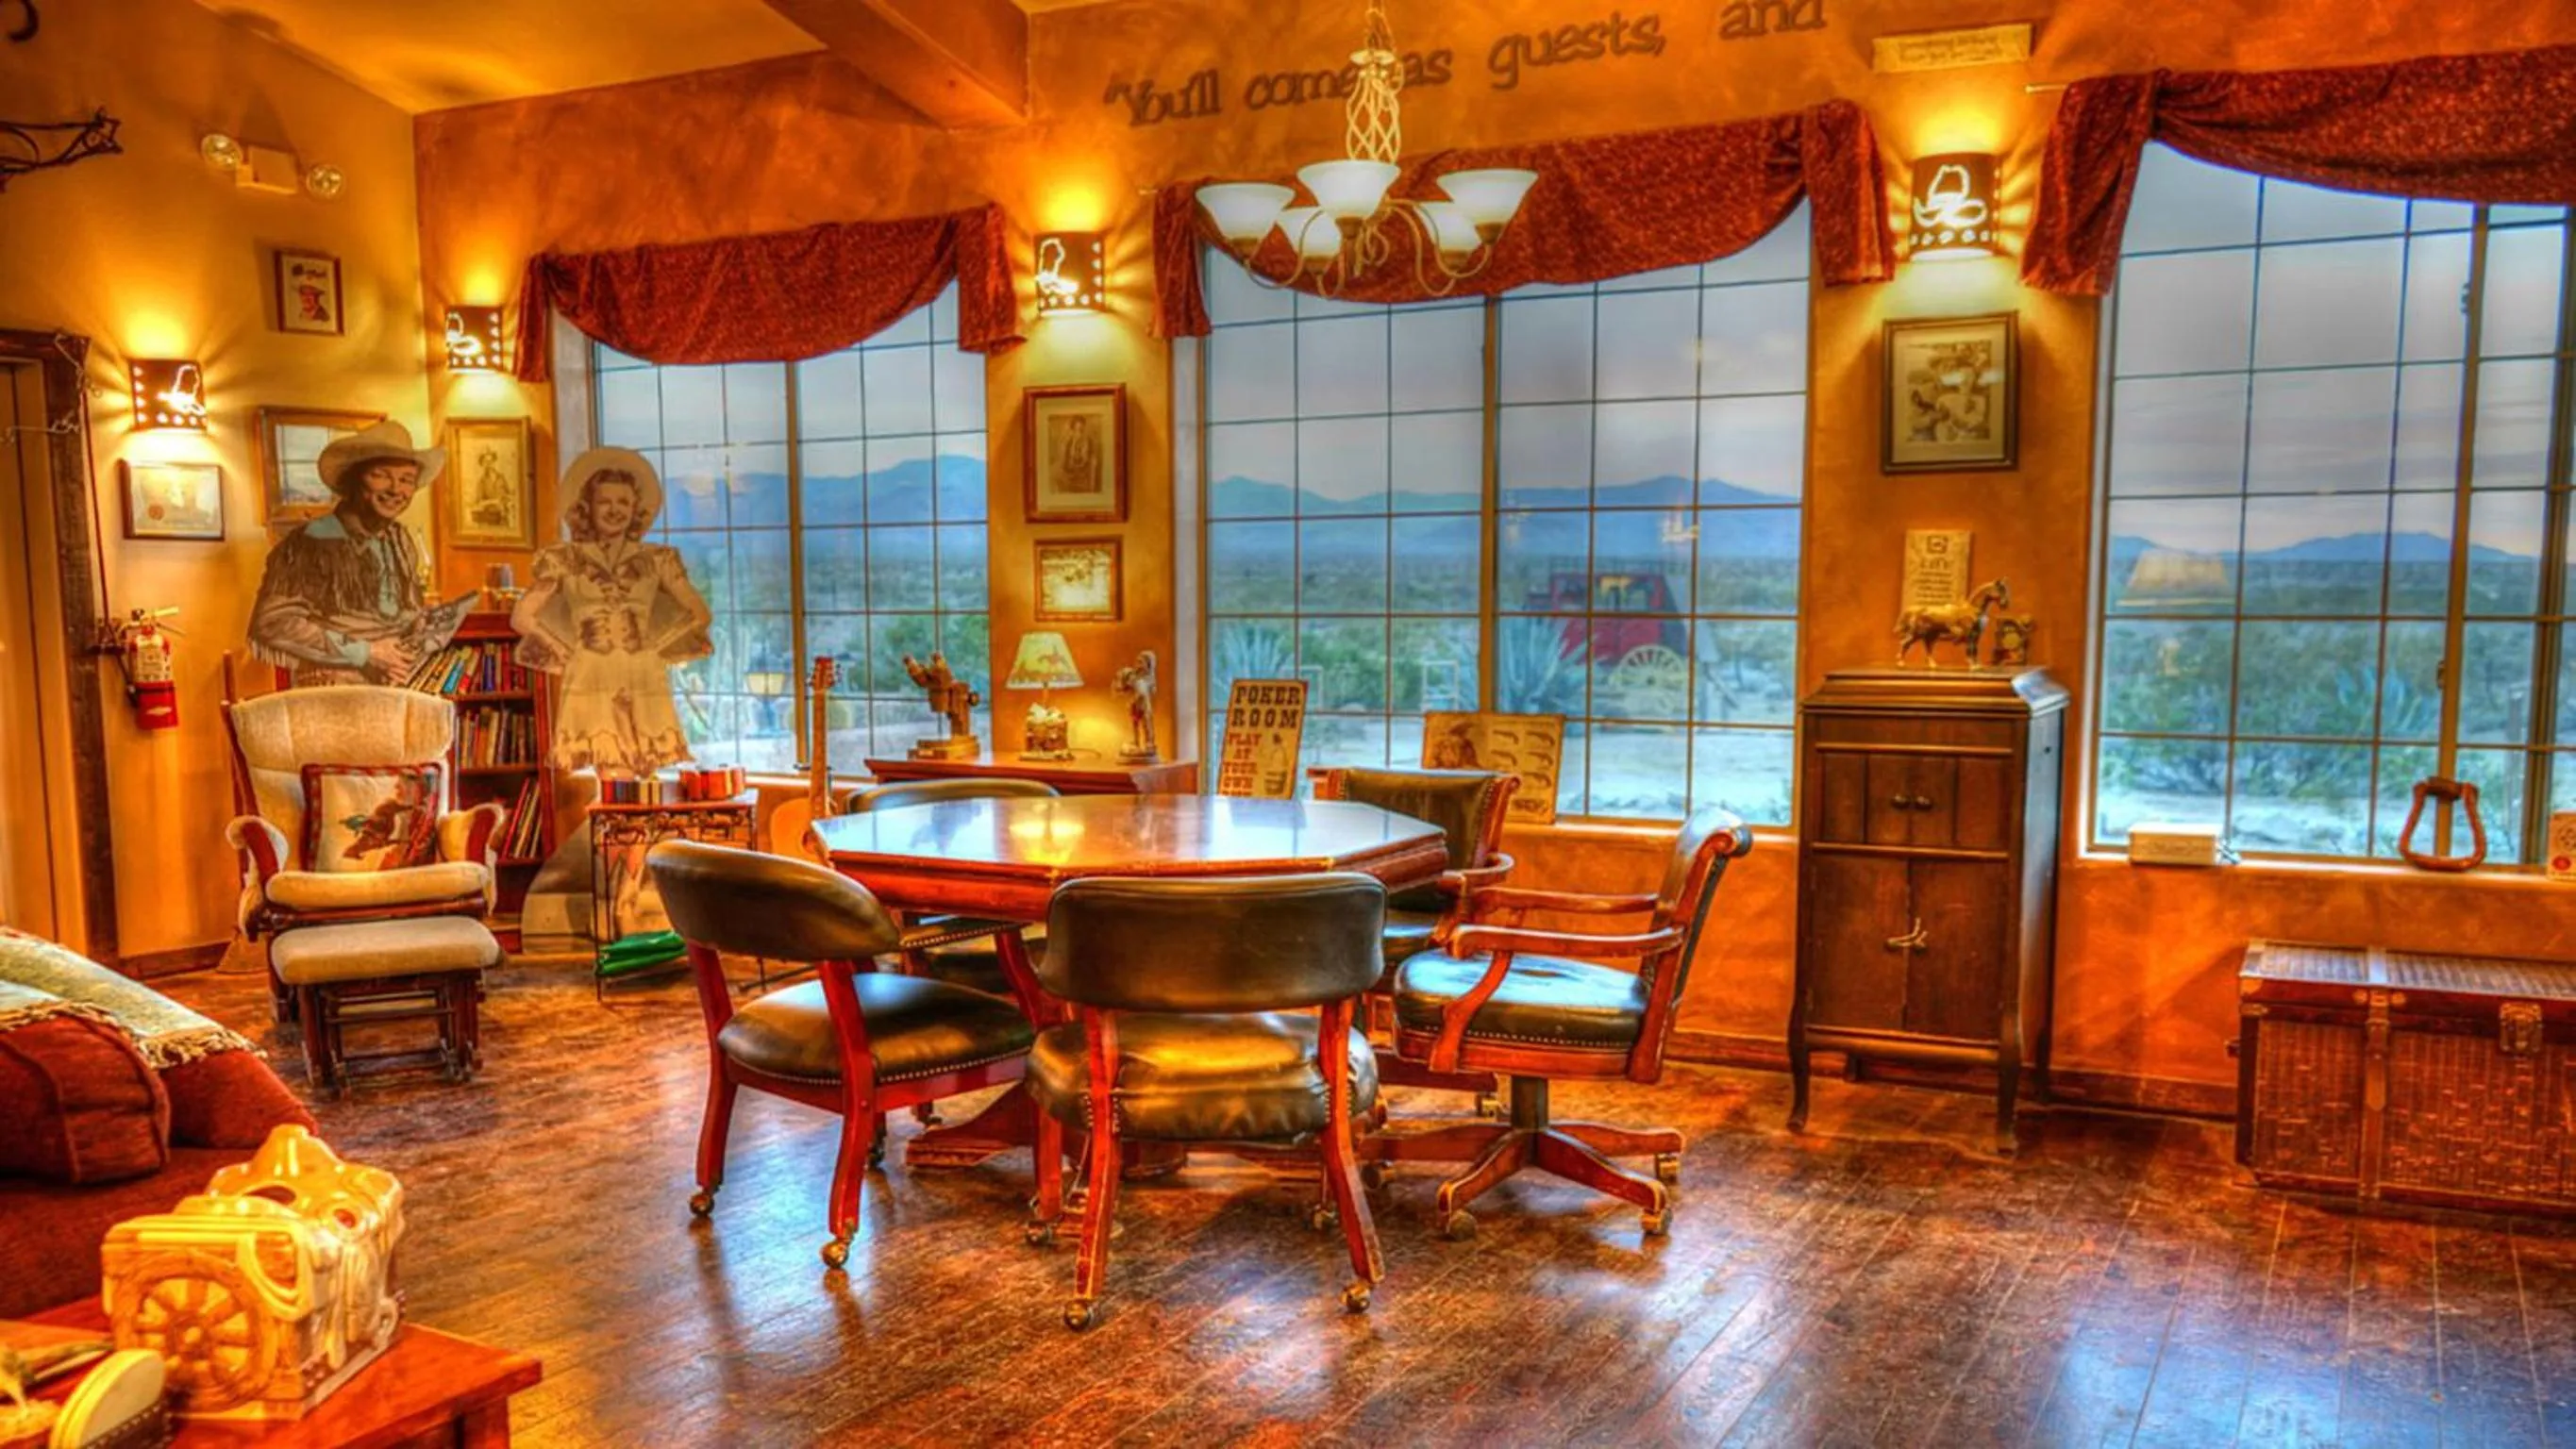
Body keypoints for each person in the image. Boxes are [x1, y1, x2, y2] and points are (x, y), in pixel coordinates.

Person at [511, 448, 714, 774]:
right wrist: (566, 652)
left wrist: (654, 649)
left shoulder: (658, 559)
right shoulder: (564, 559)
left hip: (642, 673)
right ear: (587, 507)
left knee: (643, 770)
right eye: (605, 502)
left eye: (623, 502)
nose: (614, 510)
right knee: (607, 770)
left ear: (636, 509)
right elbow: (522, 617)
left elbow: (700, 614)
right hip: (590, 674)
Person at [247, 420, 468, 685]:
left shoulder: (399, 539)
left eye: (406, 479)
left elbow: (399, 611)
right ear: (353, 480)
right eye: (381, 475)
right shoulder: (309, 542)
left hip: (395, 684)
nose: (396, 489)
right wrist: (367, 653)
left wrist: (420, 624)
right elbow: (273, 623)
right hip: (331, 691)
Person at [1056, 414, 1101, 496]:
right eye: (1077, 430)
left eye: (1081, 430)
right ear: (1073, 430)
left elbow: (1090, 457)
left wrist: (1087, 461)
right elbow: (1065, 460)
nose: (1079, 433)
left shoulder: (1088, 441)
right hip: (1071, 470)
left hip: (1085, 471)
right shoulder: (1069, 442)